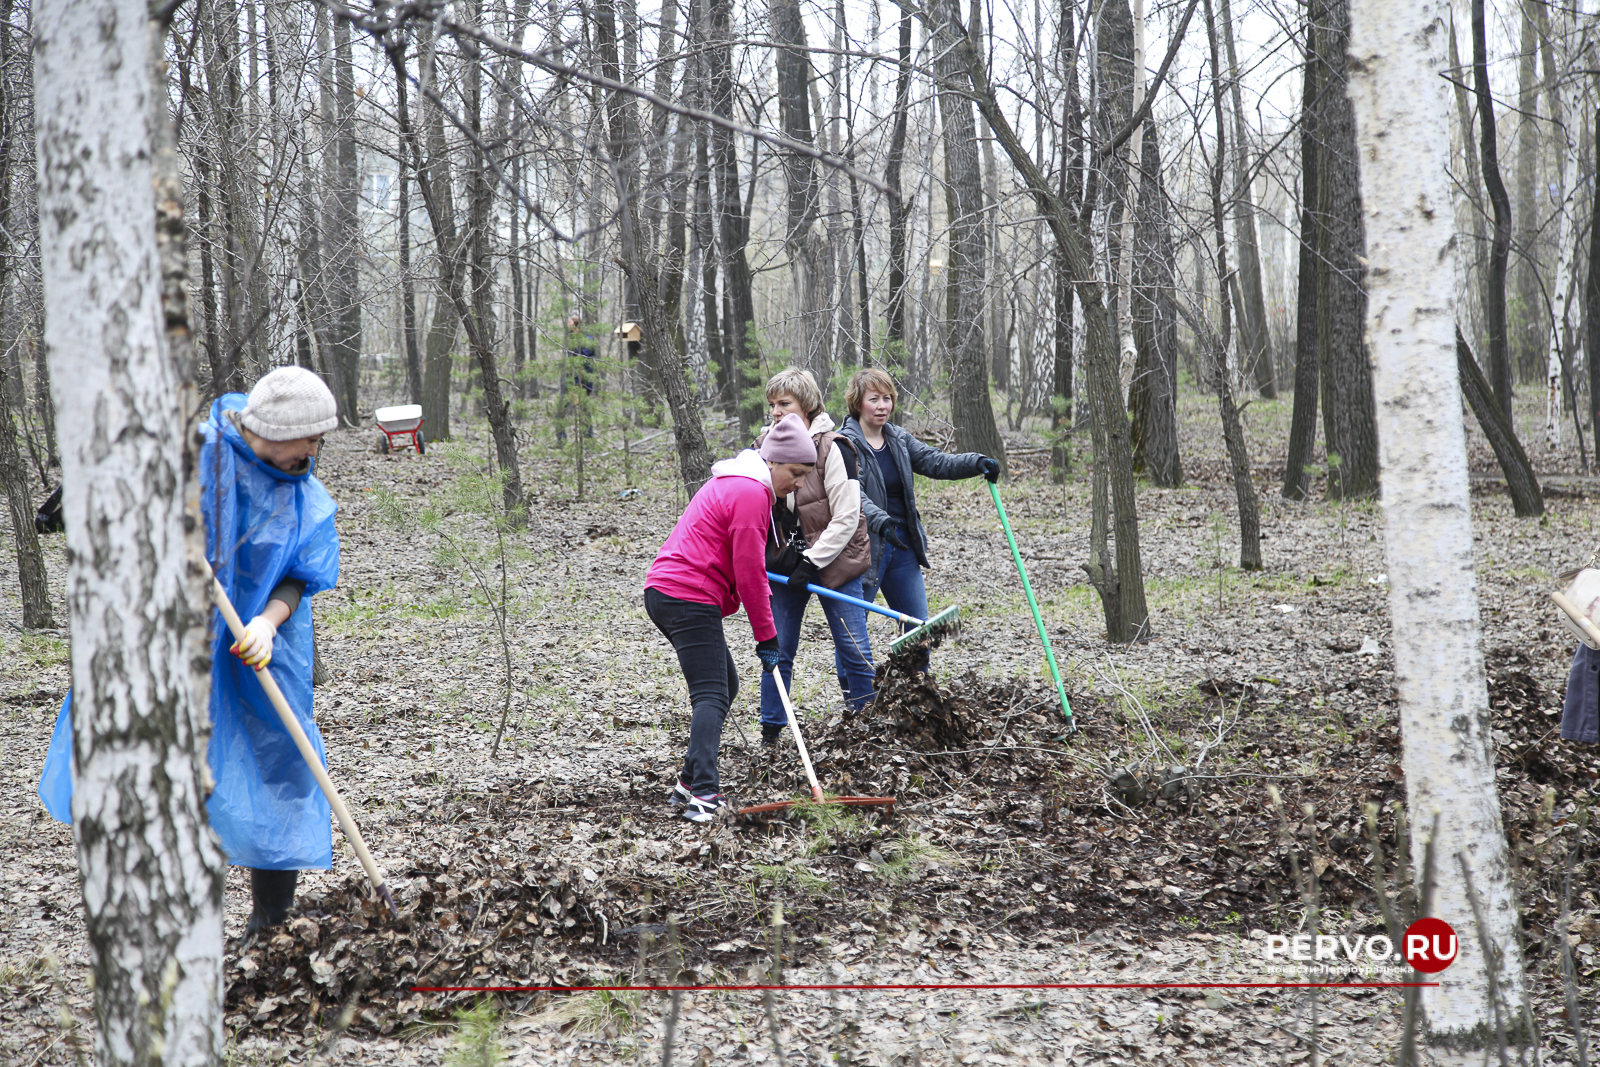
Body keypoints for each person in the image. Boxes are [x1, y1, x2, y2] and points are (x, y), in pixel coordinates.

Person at [39, 366, 341, 935]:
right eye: (309, 438)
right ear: (274, 430)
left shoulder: (305, 493)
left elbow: (299, 575)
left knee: (281, 758)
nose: (314, 450)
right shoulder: (193, 455)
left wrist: (268, 624)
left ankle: (270, 923)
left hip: (255, 645)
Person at [645, 413, 816, 823]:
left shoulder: (739, 482)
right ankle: (704, 795)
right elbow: (750, 571)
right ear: (772, 462)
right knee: (712, 693)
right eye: (795, 473)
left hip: (673, 593)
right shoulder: (750, 493)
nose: (798, 484)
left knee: (726, 684)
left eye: (805, 476)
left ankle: (688, 783)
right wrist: (768, 638)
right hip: (685, 594)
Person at [838, 367, 1000, 663]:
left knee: (917, 628)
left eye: (887, 398)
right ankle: (856, 700)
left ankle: (915, 693)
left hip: (903, 547)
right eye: (874, 398)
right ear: (858, 402)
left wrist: (976, 463)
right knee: (853, 632)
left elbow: (936, 462)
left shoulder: (898, 438)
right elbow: (852, 494)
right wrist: (880, 520)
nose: (883, 405)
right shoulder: (845, 444)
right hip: (864, 549)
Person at [757, 368, 876, 740]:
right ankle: (772, 732)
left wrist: (813, 560)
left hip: (836, 563)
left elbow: (846, 516)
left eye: (785, 404)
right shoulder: (765, 445)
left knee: (854, 650)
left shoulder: (835, 447)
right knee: (778, 651)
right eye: (772, 404)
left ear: (806, 406)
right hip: (785, 566)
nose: (776, 412)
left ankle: (866, 728)